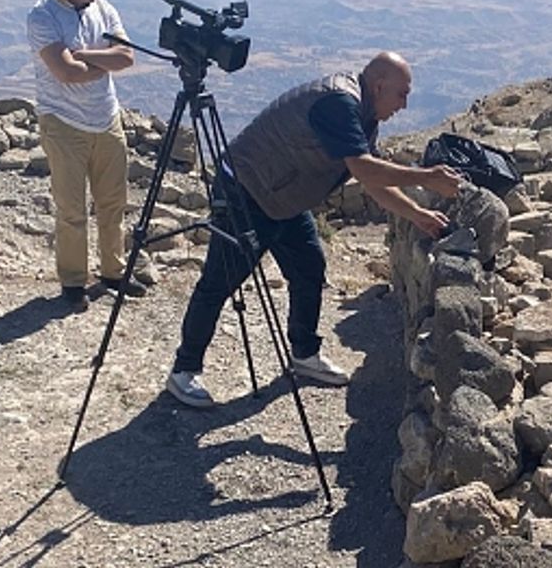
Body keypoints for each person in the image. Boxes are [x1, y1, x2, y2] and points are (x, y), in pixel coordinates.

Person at [167, 52, 463, 408]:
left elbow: (369, 178)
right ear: (379, 86)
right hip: (247, 190)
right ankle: (184, 370)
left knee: (309, 267)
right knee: (220, 280)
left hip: (284, 198)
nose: (404, 105)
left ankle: (304, 354)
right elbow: (365, 169)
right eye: (402, 94)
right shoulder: (340, 103)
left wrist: (416, 214)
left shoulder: (364, 113)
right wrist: (427, 178)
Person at [27, 0, 144, 312]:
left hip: (106, 118)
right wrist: (98, 62)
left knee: (113, 202)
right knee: (72, 209)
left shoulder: (103, 9)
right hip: (63, 123)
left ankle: (114, 272)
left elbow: (126, 57)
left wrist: (83, 55)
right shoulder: (43, 16)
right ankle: (73, 282)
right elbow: (66, 73)